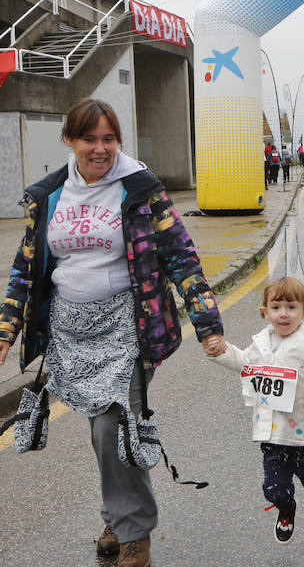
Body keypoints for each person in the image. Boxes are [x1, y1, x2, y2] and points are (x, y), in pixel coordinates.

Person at [0, 98, 224, 567]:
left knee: (114, 425)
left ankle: (134, 532)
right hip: (69, 334)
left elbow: (181, 258)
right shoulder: (48, 196)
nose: (99, 149)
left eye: (108, 139)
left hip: (129, 328)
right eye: (89, 139)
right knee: (102, 430)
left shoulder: (141, 191)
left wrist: (207, 324)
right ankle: (118, 515)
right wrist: (6, 331)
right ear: (70, 141)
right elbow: (25, 269)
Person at [206, 277, 304, 560]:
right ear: (265, 311)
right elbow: (244, 363)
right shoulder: (261, 342)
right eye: (276, 306)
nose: (283, 313)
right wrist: (222, 351)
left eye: (291, 306)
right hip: (273, 434)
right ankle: (285, 507)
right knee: (274, 487)